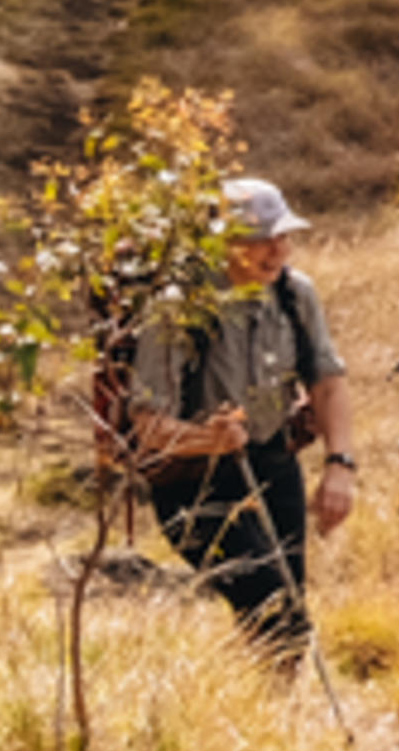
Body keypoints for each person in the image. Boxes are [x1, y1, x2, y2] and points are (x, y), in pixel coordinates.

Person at [130, 175, 357, 666]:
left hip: (274, 465)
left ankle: (275, 719)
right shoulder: (177, 307)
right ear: (221, 244)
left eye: (283, 236)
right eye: (259, 240)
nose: (276, 251)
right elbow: (148, 424)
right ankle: (250, 716)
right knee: (271, 603)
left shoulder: (295, 294)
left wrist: (340, 464)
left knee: (288, 603)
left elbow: (328, 383)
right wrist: (206, 438)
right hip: (193, 482)